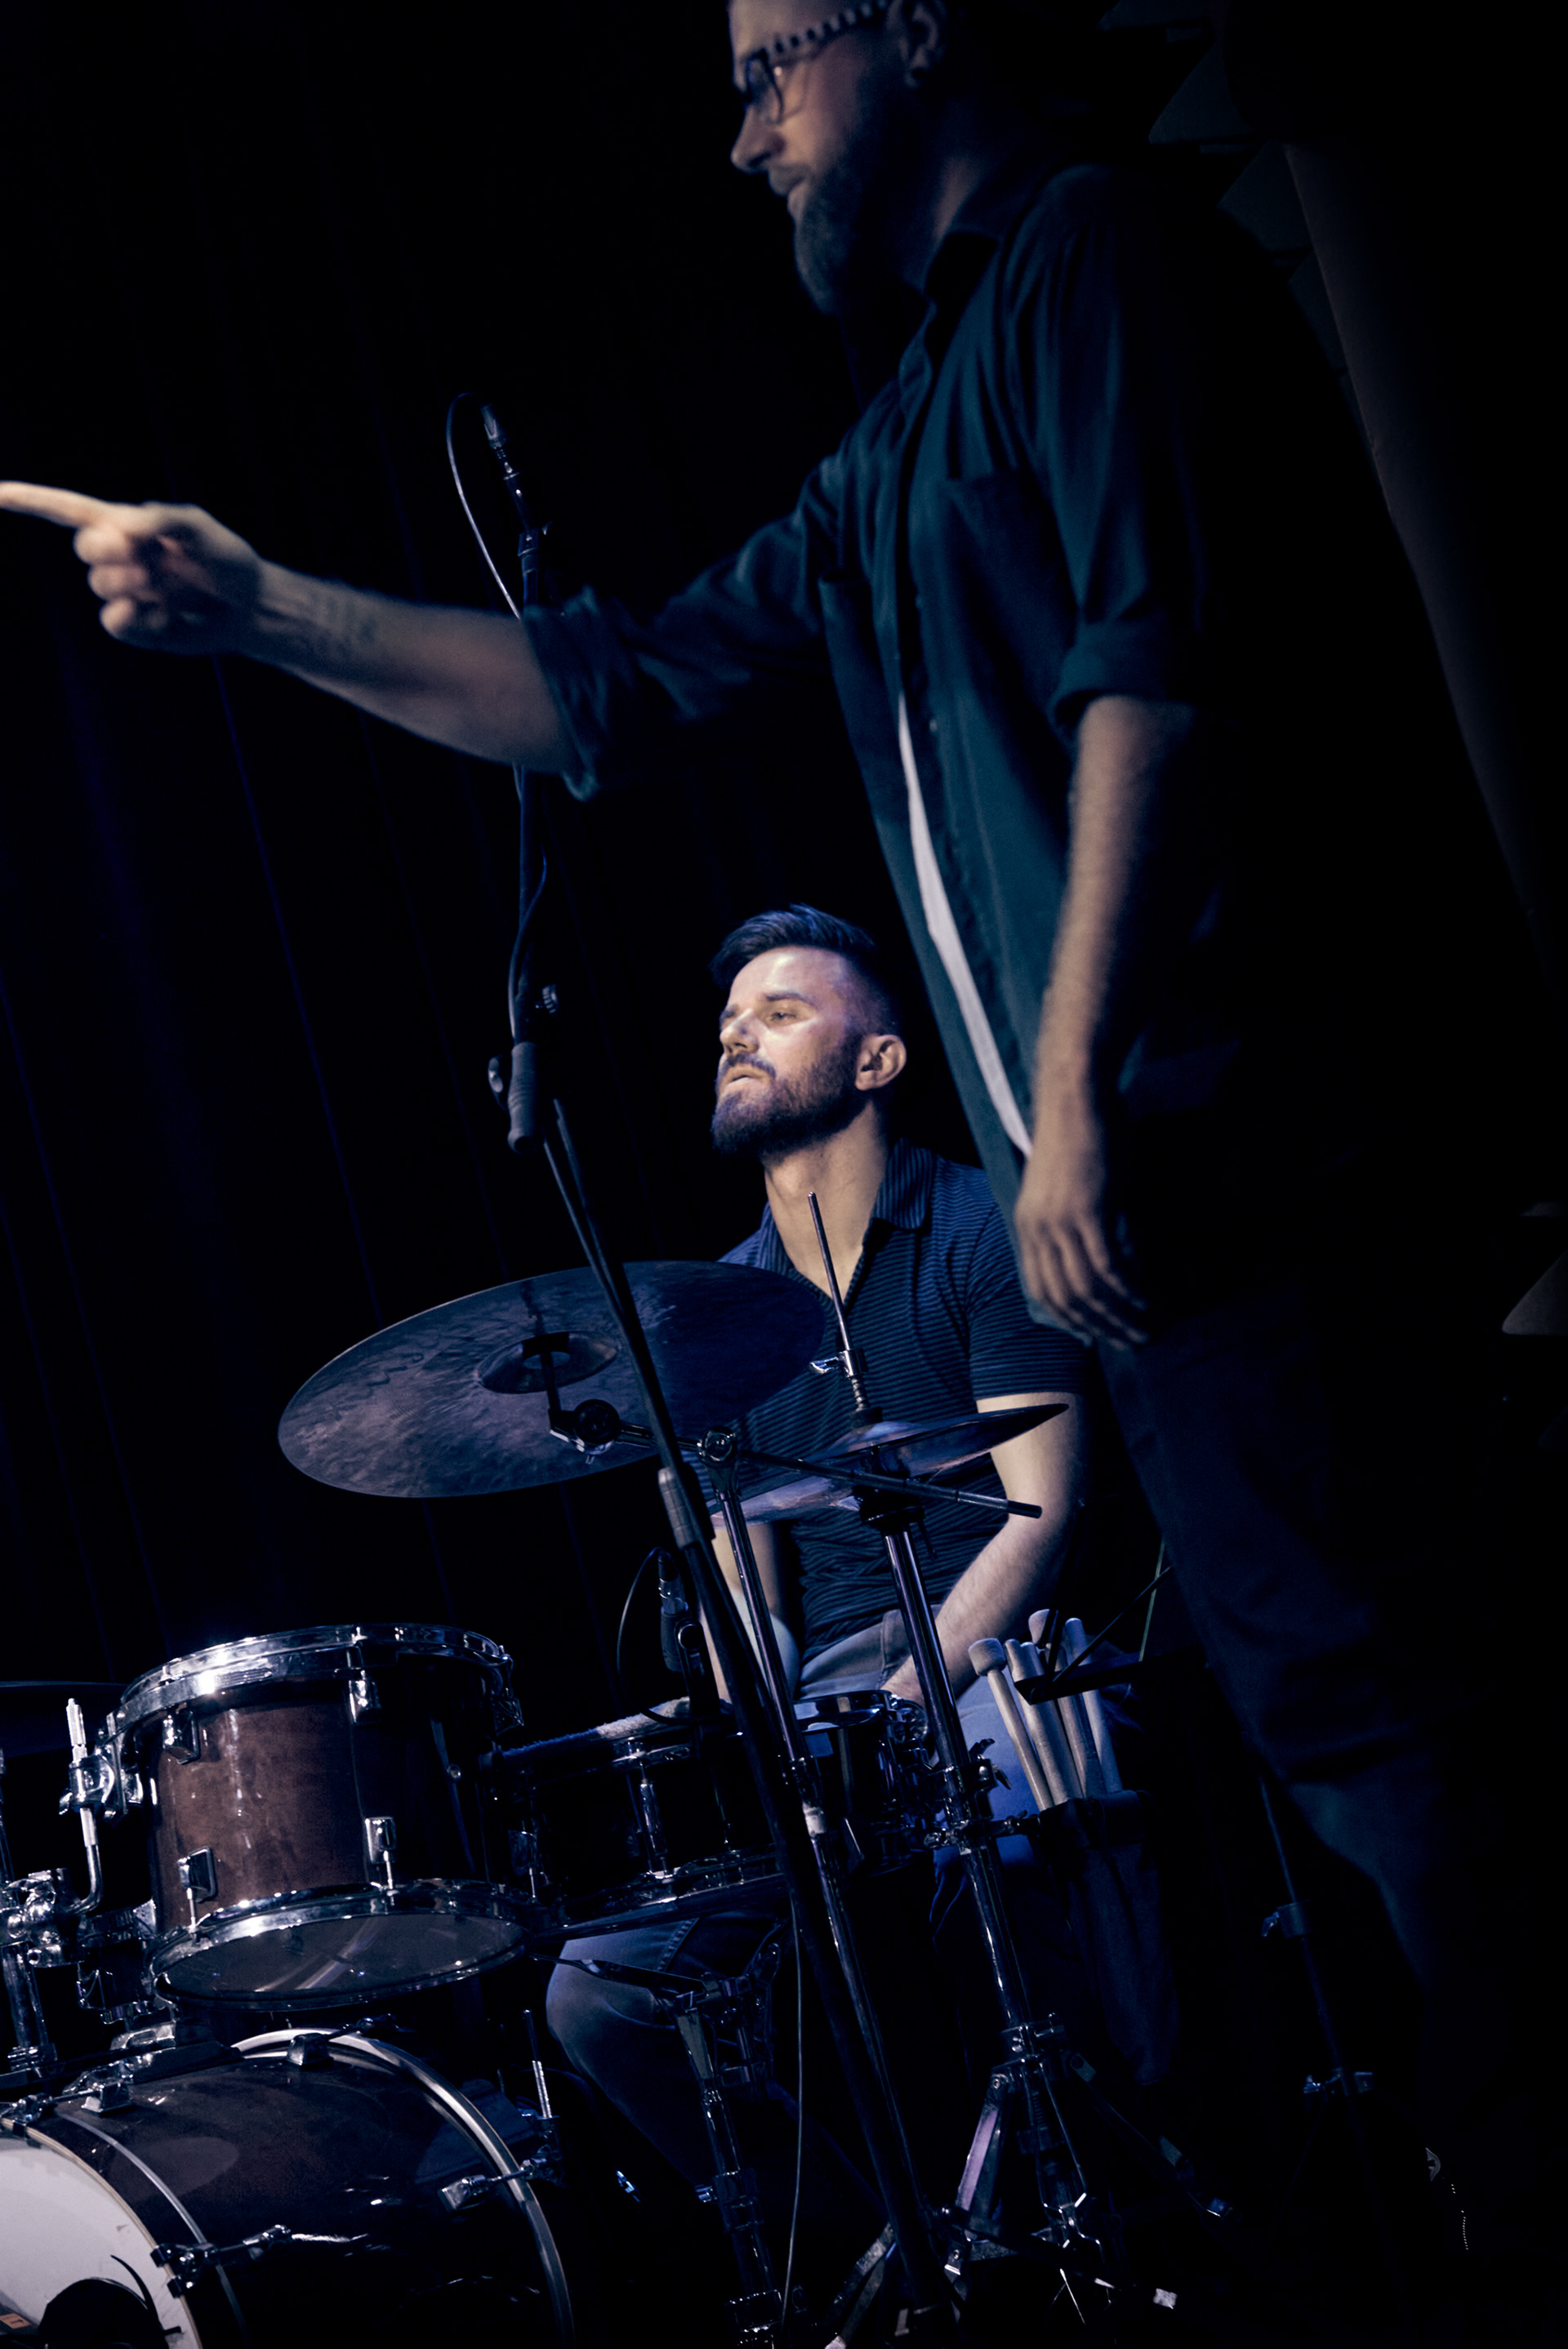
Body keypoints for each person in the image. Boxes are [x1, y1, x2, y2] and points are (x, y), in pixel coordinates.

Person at [2, 0, 1557, 2286]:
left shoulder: (1100, 260)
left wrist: (1073, 1097)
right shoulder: (900, 437)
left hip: (1262, 1179)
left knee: (1442, 1789)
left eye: (767, 71)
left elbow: (1160, 679)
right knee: (1382, 1778)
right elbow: (609, 683)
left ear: (912, 31)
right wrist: (257, 609)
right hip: (1173, 1237)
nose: (742, 139)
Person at [544, 903, 1094, 2308]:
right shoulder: (718, 1315)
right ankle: (881, 2269)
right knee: (598, 1991)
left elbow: (1037, 1515)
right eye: (731, 1021)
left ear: (878, 1059)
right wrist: (754, 1719)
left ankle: (1077, 2229)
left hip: (988, 1654)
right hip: (824, 1699)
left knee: (1008, 1848)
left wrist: (906, 1707)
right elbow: (751, 1581)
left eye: (781, 1013)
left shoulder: (976, 1226)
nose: (738, 1034)